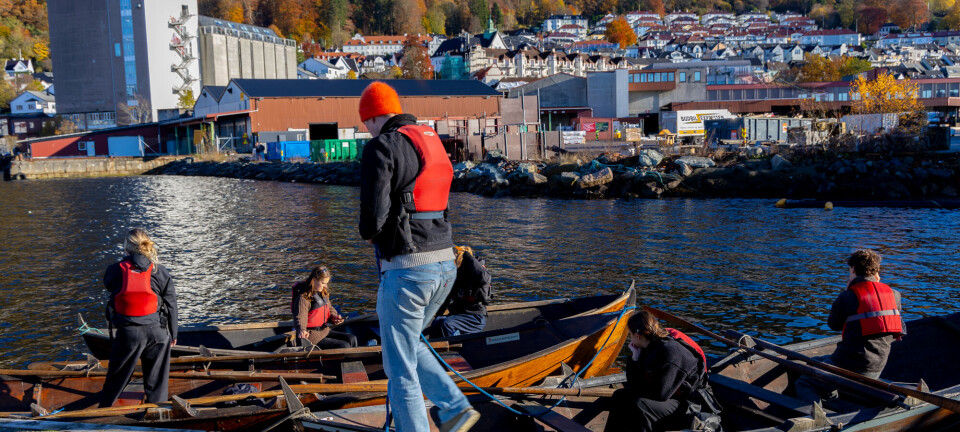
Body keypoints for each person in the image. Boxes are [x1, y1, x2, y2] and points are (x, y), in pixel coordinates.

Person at [357, 81, 480, 432]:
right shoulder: (430, 139)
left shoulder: (381, 147)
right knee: (408, 344)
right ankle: (455, 407)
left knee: (400, 372)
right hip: (444, 266)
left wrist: (371, 233)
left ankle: (444, 414)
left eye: (366, 122)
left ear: (375, 116)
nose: (366, 129)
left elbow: (372, 220)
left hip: (409, 271)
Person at [795, 249, 905, 403]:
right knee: (814, 361)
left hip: (849, 364)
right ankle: (833, 400)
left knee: (804, 382)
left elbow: (834, 325)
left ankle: (816, 418)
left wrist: (848, 292)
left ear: (853, 269)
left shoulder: (849, 295)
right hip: (877, 366)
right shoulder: (895, 295)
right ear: (877, 271)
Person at [99, 229, 177, 407]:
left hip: (129, 333)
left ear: (126, 247)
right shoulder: (160, 271)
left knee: (116, 378)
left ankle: (103, 412)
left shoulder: (114, 270)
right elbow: (171, 303)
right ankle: (158, 415)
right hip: (158, 333)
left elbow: (109, 286)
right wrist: (173, 334)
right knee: (157, 383)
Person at [604, 310, 718, 432]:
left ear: (637, 336)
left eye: (630, 335)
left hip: (690, 403)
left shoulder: (670, 353)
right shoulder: (648, 345)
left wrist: (638, 389)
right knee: (620, 396)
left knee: (640, 405)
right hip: (668, 395)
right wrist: (635, 358)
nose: (630, 340)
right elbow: (633, 385)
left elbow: (660, 394)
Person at [431, 245, 491, 337]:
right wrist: (436, 316)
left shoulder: (477, 275)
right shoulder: (456, 278)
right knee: (436, 323)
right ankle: (434, 349)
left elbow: (484, 278)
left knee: (447, 324)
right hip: (459, 316)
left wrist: (468, 257)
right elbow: (445, 300)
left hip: (474, 318)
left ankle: (459, 345)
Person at [291, 266, 357, 349]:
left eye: (326, 283)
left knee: (352, 339)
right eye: (323, 283)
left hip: (324, 332)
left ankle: (354, 361)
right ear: (314, 280)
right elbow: (300, 317)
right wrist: (302, 330)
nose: (325, 286)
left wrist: (334, 318)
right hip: (311, 336)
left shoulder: (322, 293)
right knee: (344, 346)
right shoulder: (303, 298)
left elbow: (330, 308)